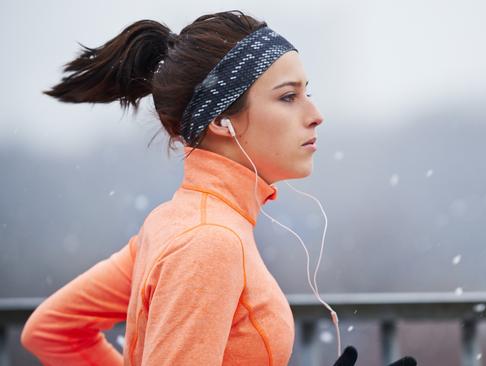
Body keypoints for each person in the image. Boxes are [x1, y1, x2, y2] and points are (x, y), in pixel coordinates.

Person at [20, 10, 417, 366]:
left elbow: (53, 329)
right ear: (221, 121)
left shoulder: (174, 224)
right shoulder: (208, 243)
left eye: (306, 93)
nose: (316, 115)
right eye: (288, 97)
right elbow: (52, 331)